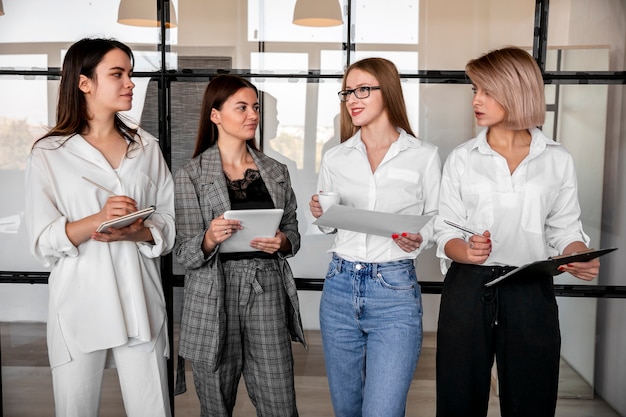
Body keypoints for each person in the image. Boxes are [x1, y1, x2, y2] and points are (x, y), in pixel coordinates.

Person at [434, 46, 600, 417]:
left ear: (516, 91)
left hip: (529, 290)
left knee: (532, 401)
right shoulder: (462, 158)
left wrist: (578, 255)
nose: (476, 100)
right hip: (468, 289)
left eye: (486, 91)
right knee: (458, 402)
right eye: (474, 89)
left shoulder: (557, 158)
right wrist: (466, 250)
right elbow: (444, 228)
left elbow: (565, 228)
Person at [24, 38, 175, 417]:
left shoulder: (146, 147)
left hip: (140, 300)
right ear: (84, 82)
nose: (130, 83)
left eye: (130, 74)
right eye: (117, 74)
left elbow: (171, 223)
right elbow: (42, 241)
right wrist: (97, 219)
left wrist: (136, 231)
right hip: (80, 303)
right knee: (75, 409)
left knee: (153, 409)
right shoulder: (49, 152)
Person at [309, 57, 442, 417]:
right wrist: (321, 215)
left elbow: (436, 220)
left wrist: (420, 238)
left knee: (382, 410)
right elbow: (327, 226)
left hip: (394, 291)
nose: (352, 98)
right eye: (348, 91)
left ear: (389, 91)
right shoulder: (336, 157)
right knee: (347, 409)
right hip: (339, 287)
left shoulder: (423, 156)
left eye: (363, 89)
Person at [174, 74, 306, 417]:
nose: (253, 115)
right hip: (214, 293)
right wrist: (208, 238)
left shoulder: (276, 171)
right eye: (242, 107)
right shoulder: (191, 175)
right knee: (215, 402)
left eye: (256, 107)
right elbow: (184, 253)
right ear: (215, 115)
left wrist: (282, 241)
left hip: (267, 288)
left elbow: (293, 232)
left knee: (279, 399)